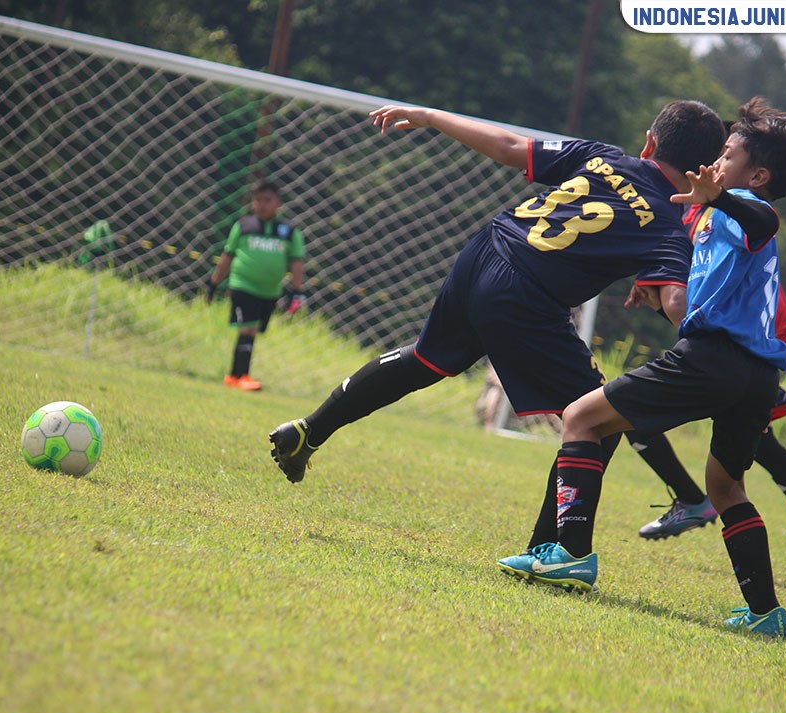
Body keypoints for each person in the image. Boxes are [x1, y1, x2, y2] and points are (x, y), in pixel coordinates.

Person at [268, 100, 727, 509]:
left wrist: (430, 116)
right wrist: (721, 339)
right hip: (525, 291)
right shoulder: (669, 225)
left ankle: (309, 429)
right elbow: (675, 302)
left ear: (649, 143)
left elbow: (509, 146)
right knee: (598, 420)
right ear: (704, 171)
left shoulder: (604, 155)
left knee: (423, 360)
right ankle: (551, 548)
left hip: (488, 249)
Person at [498, 98, 786, 639]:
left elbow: (764, 219)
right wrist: (667, 291)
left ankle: (569, 553)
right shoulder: (717, 213)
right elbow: (710, 286)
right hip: (754, 377)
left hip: (715, 360)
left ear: (757, 174)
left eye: (727, 153)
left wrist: (723, 198)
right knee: (726, 486)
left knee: (580, 418)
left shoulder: (743, 207)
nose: (715, 161)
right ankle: (767, 614)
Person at [634, 279, 786, 593]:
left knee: (627, 412)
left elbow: (764, 273)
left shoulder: (703, 228)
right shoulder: (693, 233)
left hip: (722, 361)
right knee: (763, 449)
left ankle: (691, 500)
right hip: (735, 359)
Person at [207, 179, 306, 392]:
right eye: (257, 200)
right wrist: (214, 282)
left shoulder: (289, 231)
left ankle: (235, 376)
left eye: (267, 200)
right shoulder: (243, 226)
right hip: (243, 285)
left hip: (270, 291)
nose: (261, 204)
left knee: (253, 330)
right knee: (247, 329)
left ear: (278, 202)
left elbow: (296, 261)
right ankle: (240, 375)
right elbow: (227, 255)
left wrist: (296, 291)